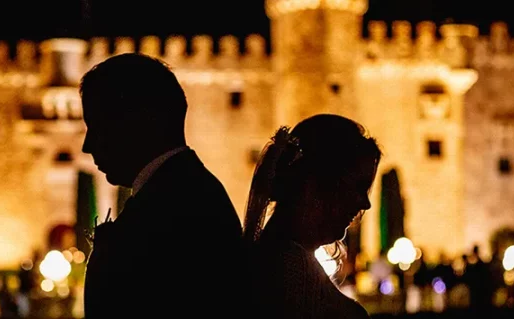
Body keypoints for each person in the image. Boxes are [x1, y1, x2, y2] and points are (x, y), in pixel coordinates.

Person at [79, 53, 244, 318]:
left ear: (139, 123)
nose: (87, 146)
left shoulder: (168, 211)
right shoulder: (193, 191)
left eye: (97, 127)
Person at [243, 114, 382, 318]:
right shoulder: (288, 274)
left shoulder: (280, 261)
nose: (365, 203)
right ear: (316, 185)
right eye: (358, 186)